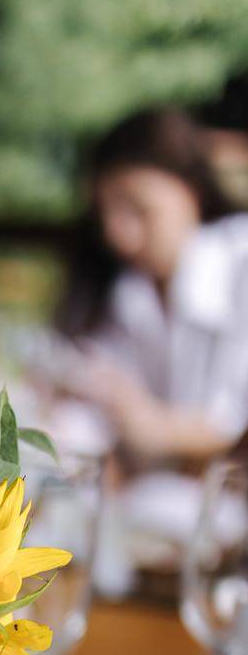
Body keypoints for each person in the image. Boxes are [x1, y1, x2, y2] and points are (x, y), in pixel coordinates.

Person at [55, 108, 248, 470]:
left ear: (192, 190)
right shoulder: (130, 291)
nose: (118, 235)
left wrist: (152, 427)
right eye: (106, 213)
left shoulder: (241, 262)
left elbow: (231, 425)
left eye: (138, 209)